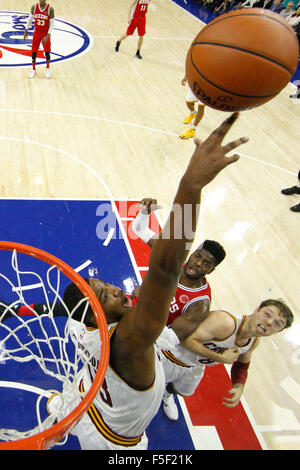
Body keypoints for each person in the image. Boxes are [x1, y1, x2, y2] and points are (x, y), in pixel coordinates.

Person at [45, 113, 249, 449]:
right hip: (114, 442)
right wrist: (190, 186)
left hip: (88, 399)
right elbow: (167, 269)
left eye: (104, 284)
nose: (114, 287)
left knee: (74, 396)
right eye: (105, 294)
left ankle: (60, 413)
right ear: (96, 312)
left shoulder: (81, 328)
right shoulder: (130, 342)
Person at [159, 299, 294, 420]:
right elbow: (184, 340)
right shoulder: (225, 322)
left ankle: (167, 393)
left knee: (184, 390)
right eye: (267, 314)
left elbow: (242, 364)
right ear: (257, 309)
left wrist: (239, 385)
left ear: (277, 332)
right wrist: (219, 357)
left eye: (277, 323)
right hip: (171, 354)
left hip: (196, 364)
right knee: (145, 387)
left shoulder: (253, 342)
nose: (269, 322)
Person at [132, 197, 226, 332]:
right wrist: (145, 212)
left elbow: (172, 339)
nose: (197, 263)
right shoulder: (174, 259)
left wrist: (147, 303)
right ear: (192, 253)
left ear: (211, 270)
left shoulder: (200, 303)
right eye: (197, 256)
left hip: (143, 334)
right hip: (130, 311)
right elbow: (140, 229)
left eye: (206, 263)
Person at [23, 1, 55, 79]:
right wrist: (26, 29)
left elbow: (52, 24)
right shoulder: (34, 7)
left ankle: (47, 68)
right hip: (37, 32)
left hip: (45, 33)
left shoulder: (50, 9)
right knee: (34, 51)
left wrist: (47, 35)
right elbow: (30, 19)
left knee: (47, 52)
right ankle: (33, 69)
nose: (41, 0)